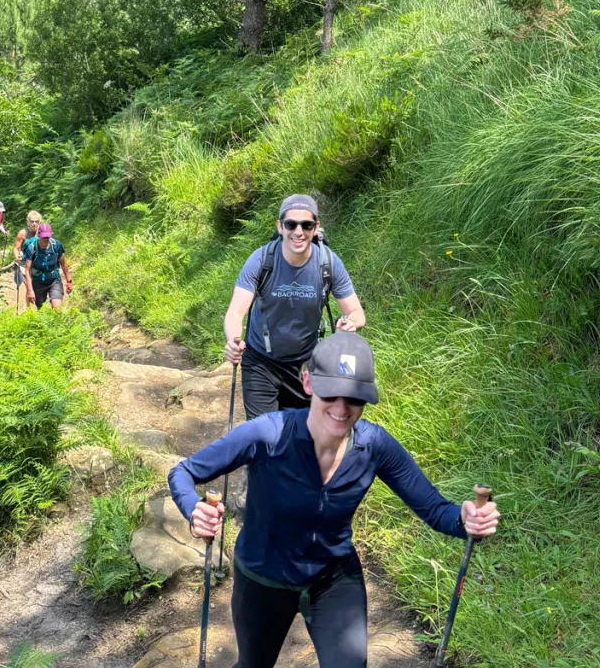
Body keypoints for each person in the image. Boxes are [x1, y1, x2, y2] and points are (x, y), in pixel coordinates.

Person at [168, 331, 500, 668]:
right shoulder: (268, 434)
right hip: (263, 575)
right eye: (332, 393)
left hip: (334, 576)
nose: (342, 409)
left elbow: (436, 510)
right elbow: (183, 473)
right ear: (309, 382)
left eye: (354, 398)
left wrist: (466, 520)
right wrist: (194, 512)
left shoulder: (374, 446)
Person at [224, 194, 366, 420]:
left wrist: (351, 323)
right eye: (291, 224)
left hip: (305, 365)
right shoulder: (261, 260)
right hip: (260, 362)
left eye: (306, 225)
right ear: (280, 226)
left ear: (315, 227)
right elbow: (235, 312)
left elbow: (357, 313)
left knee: (301, 436)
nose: (298, 232)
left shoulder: (328, 263)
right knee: (263, 435)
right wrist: (233, 340)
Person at [23, 222, 72, 310]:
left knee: (56, 308)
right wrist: (30, 290)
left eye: (47, 237)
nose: (46, 239)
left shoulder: (56, 245)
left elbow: (63, 264)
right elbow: (27, 270)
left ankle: (56, 323)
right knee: (41, 309)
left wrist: (69, 281)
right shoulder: (32, 248)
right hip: (38, 281)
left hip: (54, 280)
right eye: (43, 237)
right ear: (38, 235)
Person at [13, 211, 42, 292]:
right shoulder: (22, 233)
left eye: (36, 221)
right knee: (29, 287)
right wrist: (17, 257)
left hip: (38, 264)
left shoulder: (42, 232)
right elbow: (16, 248)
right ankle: (30, 304)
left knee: (37, 287)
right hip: (24, 263)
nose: (34, 223)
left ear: (40, 222)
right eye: (32, 221)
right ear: (28, 222)